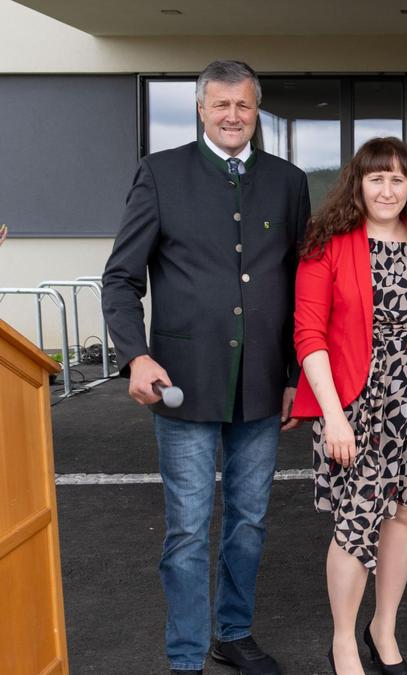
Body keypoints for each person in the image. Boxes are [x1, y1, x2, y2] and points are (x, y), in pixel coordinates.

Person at [102, 60, 310, 675]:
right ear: (199, 108)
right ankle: (187, 656)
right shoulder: (160, 174)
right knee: (189, 530)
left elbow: (303, 284)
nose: (231, 116)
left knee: (249, 521)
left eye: (243, 106)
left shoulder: (289, 181)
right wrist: (135, 355)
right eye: (219, 105)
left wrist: (298, 375)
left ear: (257, 108)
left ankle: (234, 633)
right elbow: (120, 277)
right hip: (181, 383)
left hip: (263, 385)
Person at [292, 137, 407, 675]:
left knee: (404, 513)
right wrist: (333, 415)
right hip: (356, 404)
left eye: (397, 179)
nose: (387, 189)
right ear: (357, 185)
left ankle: (383, 627)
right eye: (376, 179)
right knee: (355, 520)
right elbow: (308, 335)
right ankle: (344, 640)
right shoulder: (329, 243)